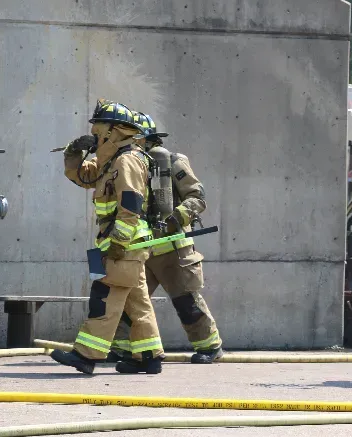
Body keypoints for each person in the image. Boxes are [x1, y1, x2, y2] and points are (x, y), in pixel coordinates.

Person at [50, 99, 165, 375]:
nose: (95, 132)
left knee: (105, 295)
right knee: (137, 302)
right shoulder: (111, 160)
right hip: (123, 245)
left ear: (115, 130)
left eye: (99, 127)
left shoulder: (127, 160)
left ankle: (86, 355)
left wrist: (117, 243)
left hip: (123, 244)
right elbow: (83, 177)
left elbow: (131, 205)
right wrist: (74, 151)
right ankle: (148, 357)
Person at [108, 112, 224, 364]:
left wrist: (176, 218)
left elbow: (197, 197)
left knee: (186, 302)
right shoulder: (128, 163)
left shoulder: (172, 162)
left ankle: (210, 346)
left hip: (173, 247)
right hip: (141, 246)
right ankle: (121, 348)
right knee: (131, 301)